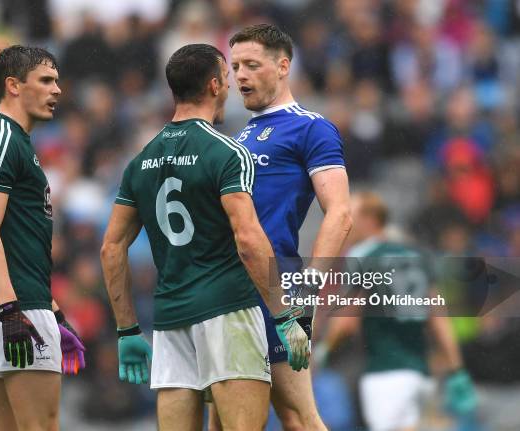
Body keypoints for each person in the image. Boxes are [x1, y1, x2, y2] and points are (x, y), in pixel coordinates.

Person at [100, 43, 310, 431]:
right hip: (227, 312)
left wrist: (127, 328)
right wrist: (283, 314)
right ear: (214, 86)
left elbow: (111, 247)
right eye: (227, 78)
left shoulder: (140, 161)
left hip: (169, 320)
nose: (230, 86)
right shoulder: (228, 153)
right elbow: (248, 240)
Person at [210, 24, 353, 431]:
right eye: (235, 66)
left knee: (299, 416)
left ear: (283, 65)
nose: (240, 76)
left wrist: (308, 285)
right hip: (228, 284)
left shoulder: (310, 127)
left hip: (273, 285)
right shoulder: (242, 134)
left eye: (252, 65)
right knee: (221, 419)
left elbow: (340, 213)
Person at [0, 45, 85, 431]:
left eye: (58, 81)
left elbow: (16, 240)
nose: (57, 90)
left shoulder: (11, 140)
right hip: (13, 308)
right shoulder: (2, 137)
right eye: (46, 80)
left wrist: (54, 309)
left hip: (8, 304)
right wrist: (13, 310)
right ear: (13, 85)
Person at [318, 191, 477, 431]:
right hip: (421, 374)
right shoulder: (418, 255)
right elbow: (439, 318)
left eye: (350, 215)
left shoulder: (361, 256)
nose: (344, 222)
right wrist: (457, 368)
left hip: (386, 374)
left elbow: (347, 320)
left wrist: (322, 350)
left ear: (370, 220)